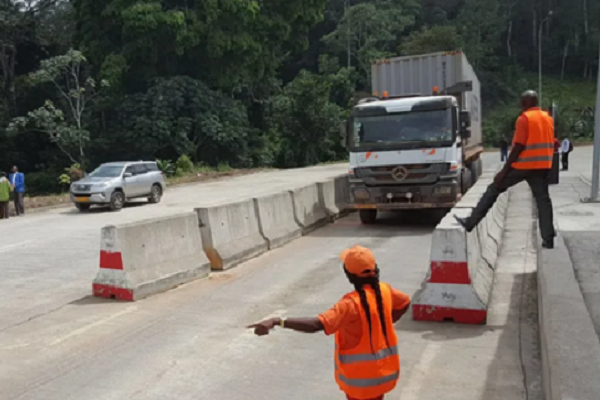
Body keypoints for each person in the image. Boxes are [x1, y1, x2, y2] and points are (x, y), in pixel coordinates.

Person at [247, 245, 411, 400]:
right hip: (382, 376)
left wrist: (278, 321)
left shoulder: (350, 304)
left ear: (349, 275)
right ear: (375, 270)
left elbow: (316, 324)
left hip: (360, 383)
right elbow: (405, 302)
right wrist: (388, 321)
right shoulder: (385, 291)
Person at [454, 90, 556, 249]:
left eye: (522, 102)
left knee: (494, 188)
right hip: (543, 166)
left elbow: (518, 147)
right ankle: (548, 239)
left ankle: (470, 222)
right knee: (543, 201)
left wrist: (504, 171)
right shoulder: (548, 118)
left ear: (526, 103)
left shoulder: (524, 119)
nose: (520, 105)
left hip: (523, 165)